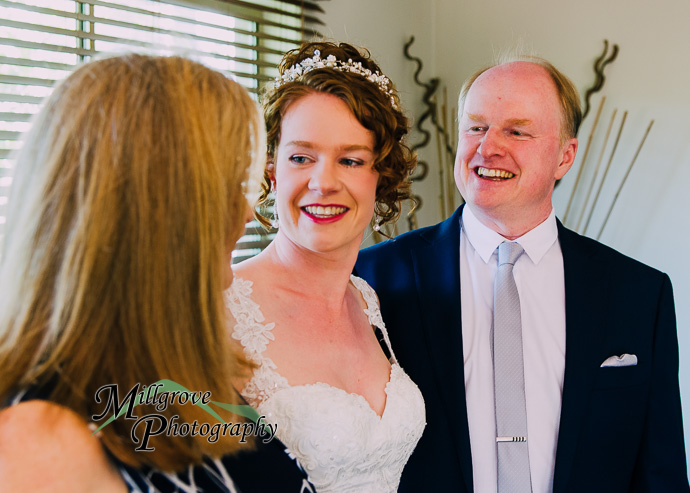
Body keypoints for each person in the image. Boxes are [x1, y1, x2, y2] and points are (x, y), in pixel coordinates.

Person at [356, 56, 690, 492]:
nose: (487, 146)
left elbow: (661, 475)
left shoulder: (641, 294)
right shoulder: (375, 278)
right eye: (476, 127)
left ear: (565, 156)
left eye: (516, 130)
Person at [0, 53, 311, 492]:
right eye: (226, 188)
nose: (245, 212)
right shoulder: (36, 446)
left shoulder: (171, 382)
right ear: (157, 217)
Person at [225, 41, 425, 492]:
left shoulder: (368, 300)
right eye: (301, 157)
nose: (324, 182)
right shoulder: (221, 308)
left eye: (350, 160)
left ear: (381, 175)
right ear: (272, 169)